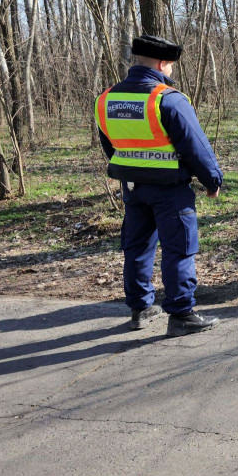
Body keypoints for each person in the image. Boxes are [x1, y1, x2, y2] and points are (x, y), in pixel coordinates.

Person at [95, 34, 223, 336]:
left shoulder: (106, 99)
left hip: (132, 187)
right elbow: (195, 147)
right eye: (171, 66)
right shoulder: (167, 99)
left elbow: (110, 145)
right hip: (170, 189)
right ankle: (181, 314)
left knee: (137, 247)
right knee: (179, 249)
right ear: (163, 63)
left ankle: (141, 309)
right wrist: (212, 181)